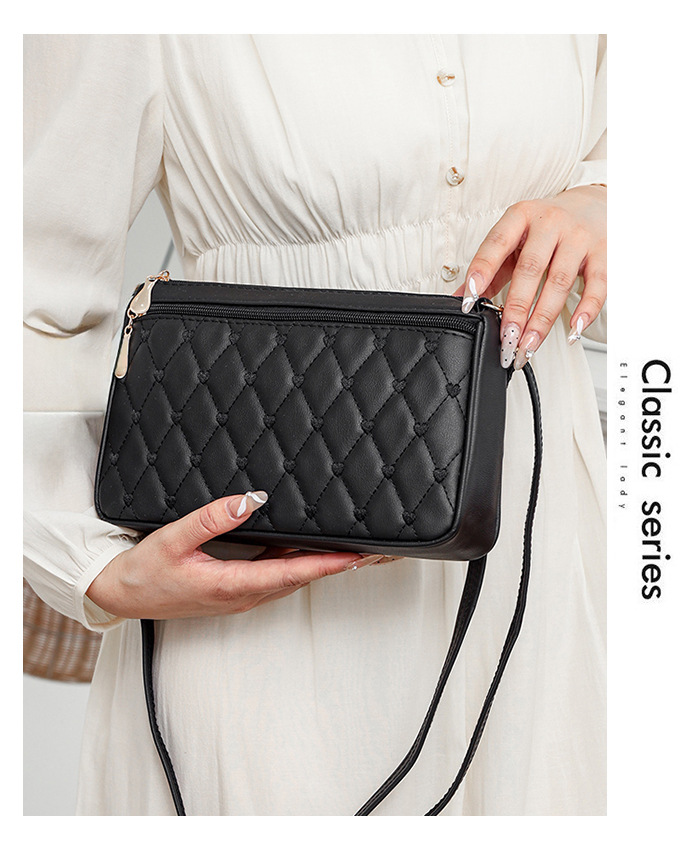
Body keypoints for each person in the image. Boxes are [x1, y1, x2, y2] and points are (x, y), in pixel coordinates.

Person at [23, 34, 607, 815]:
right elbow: (27, 285)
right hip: (260, 577)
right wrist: (89, 560)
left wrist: (604, 204)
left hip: (536, 564)